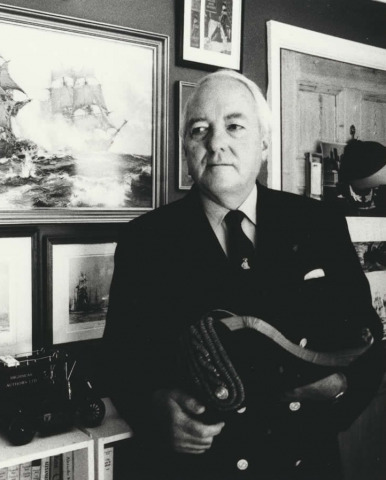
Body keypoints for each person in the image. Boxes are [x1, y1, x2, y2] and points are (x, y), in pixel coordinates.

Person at [101, 69, 385, 479]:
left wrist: (342, 386)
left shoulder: (318, 223)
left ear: (265, 142)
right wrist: (155, 406)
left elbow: (368, 338)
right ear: (185, 148)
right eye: (199, 130)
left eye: (234, 126)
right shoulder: (145, 241)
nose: (216, 143)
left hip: (302, 464)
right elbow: (119, 362)